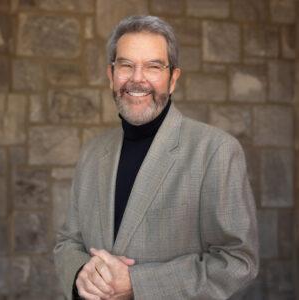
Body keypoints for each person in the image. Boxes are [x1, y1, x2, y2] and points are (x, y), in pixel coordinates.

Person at [54, 15, 259, 300]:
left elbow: (238, 261)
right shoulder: (91, 153)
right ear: (111, 75)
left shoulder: (216, 150)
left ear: (172, 79)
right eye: (126, 65)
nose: (137, 78)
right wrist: (80, 275)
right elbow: (68, 242)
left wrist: (137, 283)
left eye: (153, 66)